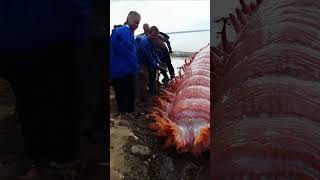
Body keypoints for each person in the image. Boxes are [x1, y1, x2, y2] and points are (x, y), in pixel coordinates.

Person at [0, 1, 106, 179]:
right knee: (60, 100)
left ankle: (39, 160)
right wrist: (84, 21)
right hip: (51, 35)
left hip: (14, 39)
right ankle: (62, 159)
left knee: (29, 102)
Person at [110, 11, 141, 118]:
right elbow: (129, 54)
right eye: (135, 22)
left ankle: (124, 112)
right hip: (123, 69)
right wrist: (136, 68)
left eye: (138, 23)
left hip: (120, 68)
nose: (136, 25)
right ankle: (127, 113)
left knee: (122, 92)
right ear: (128, 19)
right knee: (127, 92)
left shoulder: (125, 32)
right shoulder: (123, 32)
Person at [136, 26, 165, 98]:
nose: (155, 37)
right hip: (140, 62)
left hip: (146, 62)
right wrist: (158, 66)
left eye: (156, 36)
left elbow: (154, 54)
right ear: (149, 33)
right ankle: (141, 99)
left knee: (149, 77)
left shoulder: (152, 41)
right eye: (153, 35)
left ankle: (148, 92)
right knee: (144, 79)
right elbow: (149, 57)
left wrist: (159, 62)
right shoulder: (144, 42)